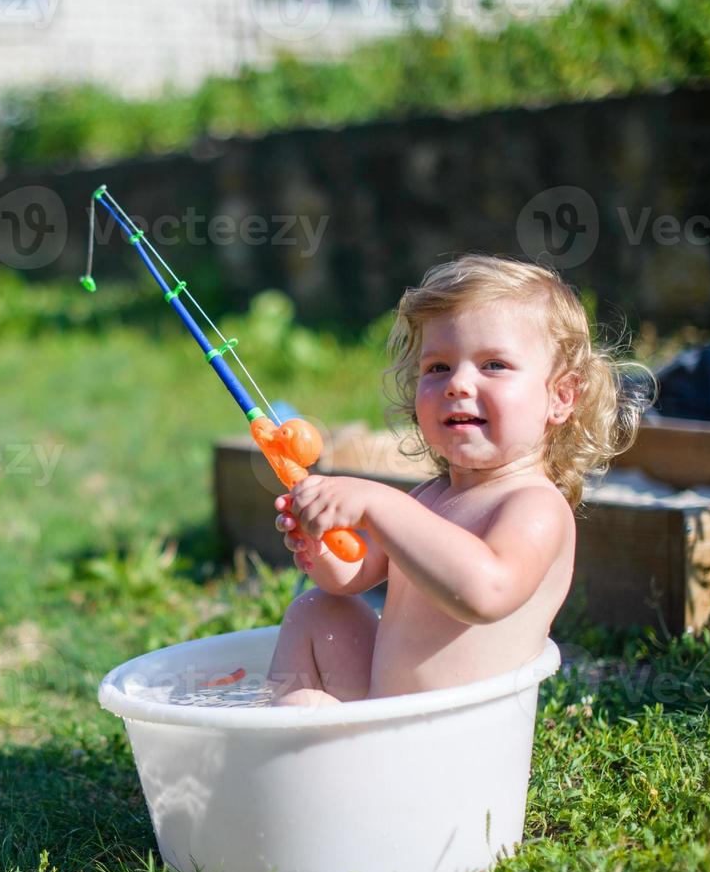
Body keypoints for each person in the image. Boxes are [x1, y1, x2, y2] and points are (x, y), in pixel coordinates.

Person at [268, 254, 647, 705]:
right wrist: (322, 544)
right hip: (391, 716)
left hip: (454, 741)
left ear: (561, 397)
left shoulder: (534, 506)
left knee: (301, 711)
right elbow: (354, 575)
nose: (458, 384)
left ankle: (273, 750)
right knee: (316, 612)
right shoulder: (432, 496)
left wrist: (380, 504)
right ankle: (284, 735)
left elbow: (485, 592)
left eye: (494, 365)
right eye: (438, 368)